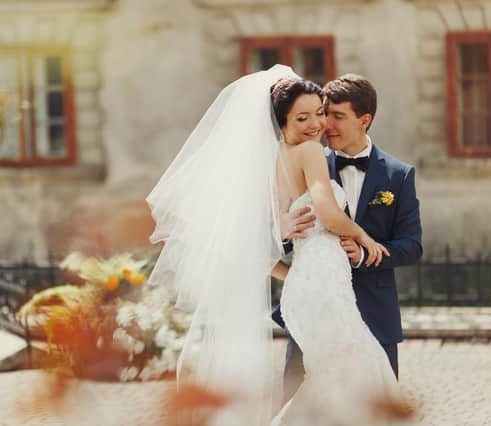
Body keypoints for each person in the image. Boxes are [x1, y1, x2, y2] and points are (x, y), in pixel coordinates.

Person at [146, 65, 407, 425]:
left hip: (305, 287)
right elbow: (329, 215)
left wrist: (293, 267)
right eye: (303, 117)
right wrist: (363, 237)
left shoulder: (271, 164)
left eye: (319, 113)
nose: (316, 124)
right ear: (280, 121)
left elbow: (249, 243)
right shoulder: (311, 154)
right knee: (354, 373)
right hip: (321, 289)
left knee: (334, 378)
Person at [272, 74, 423, 405]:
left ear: (364, 120)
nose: (325, 124)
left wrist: (365, 253)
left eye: (336, 116)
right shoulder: (305, 156)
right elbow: (277, 240)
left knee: (374, 413)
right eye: (324, 114)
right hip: (317, 312)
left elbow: (412, 245)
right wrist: (280, 226)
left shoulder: (399, 176)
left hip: (375, 315)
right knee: (299, 408)